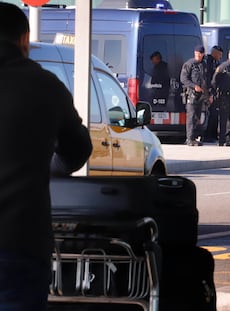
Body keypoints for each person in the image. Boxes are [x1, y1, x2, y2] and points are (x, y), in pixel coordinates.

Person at [0, 3, 92, 310]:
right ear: (24, 40)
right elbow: (77, 151)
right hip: (19, 241)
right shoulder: (45, 86)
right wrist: (43, 166)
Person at [180, 45, 212, 146]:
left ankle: (194, 138)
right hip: (192, 94)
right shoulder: (189, 64)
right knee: (191, 117)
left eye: (200, 53)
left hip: (201, 96)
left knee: (197, 117)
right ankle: (189, 139)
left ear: (203, 54)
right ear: (194, 53)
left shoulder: (204, 65)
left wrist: (209, 95)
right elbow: (183, 79)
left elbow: (207, 81)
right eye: (197, 53)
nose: (198, 55)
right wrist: (194, 86)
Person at [212, 47, 230, 146]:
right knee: (223, 117)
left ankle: (229, 139)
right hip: (223, 96)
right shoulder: (222, 67)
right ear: (229, 56)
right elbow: (214, 81)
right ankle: (222, 139)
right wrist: (215, 93)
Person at [204, 45, 223, 142]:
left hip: (215, 92)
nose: (220, 57)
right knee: (210, 114)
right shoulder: (208, 62)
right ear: (214, 53)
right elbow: (208, 79)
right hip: (208, 92)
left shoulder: (216, 62)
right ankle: (207, 136)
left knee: (215, 114)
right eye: (219, 54)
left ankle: (213, 135)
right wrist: (210, 93)